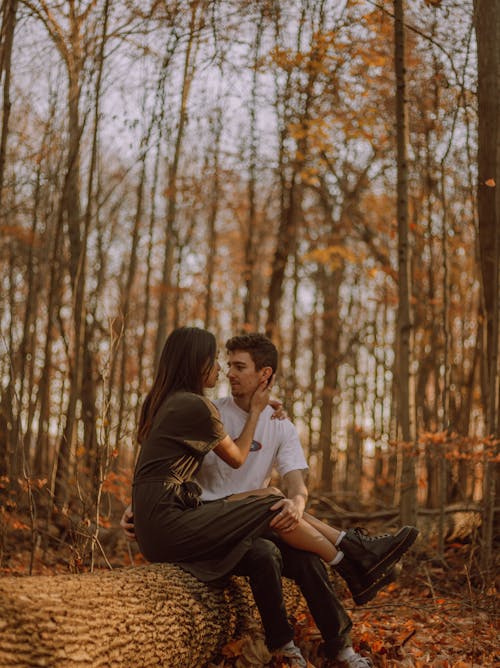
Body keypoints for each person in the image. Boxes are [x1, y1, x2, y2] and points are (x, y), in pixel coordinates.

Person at [125, 329, 418, 668]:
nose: (227, 372)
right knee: (270, 507)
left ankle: (343, 648)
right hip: (204, 520)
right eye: (223, 363)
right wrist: (138, 508)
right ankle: (350, 563)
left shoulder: (280, 425)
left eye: (238, 366)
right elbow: (170, 466)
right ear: (196, 363)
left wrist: (297, 504)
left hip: (251, 522)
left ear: (264, 375)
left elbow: (296, 483)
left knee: (295, 547)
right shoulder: (206, 409)